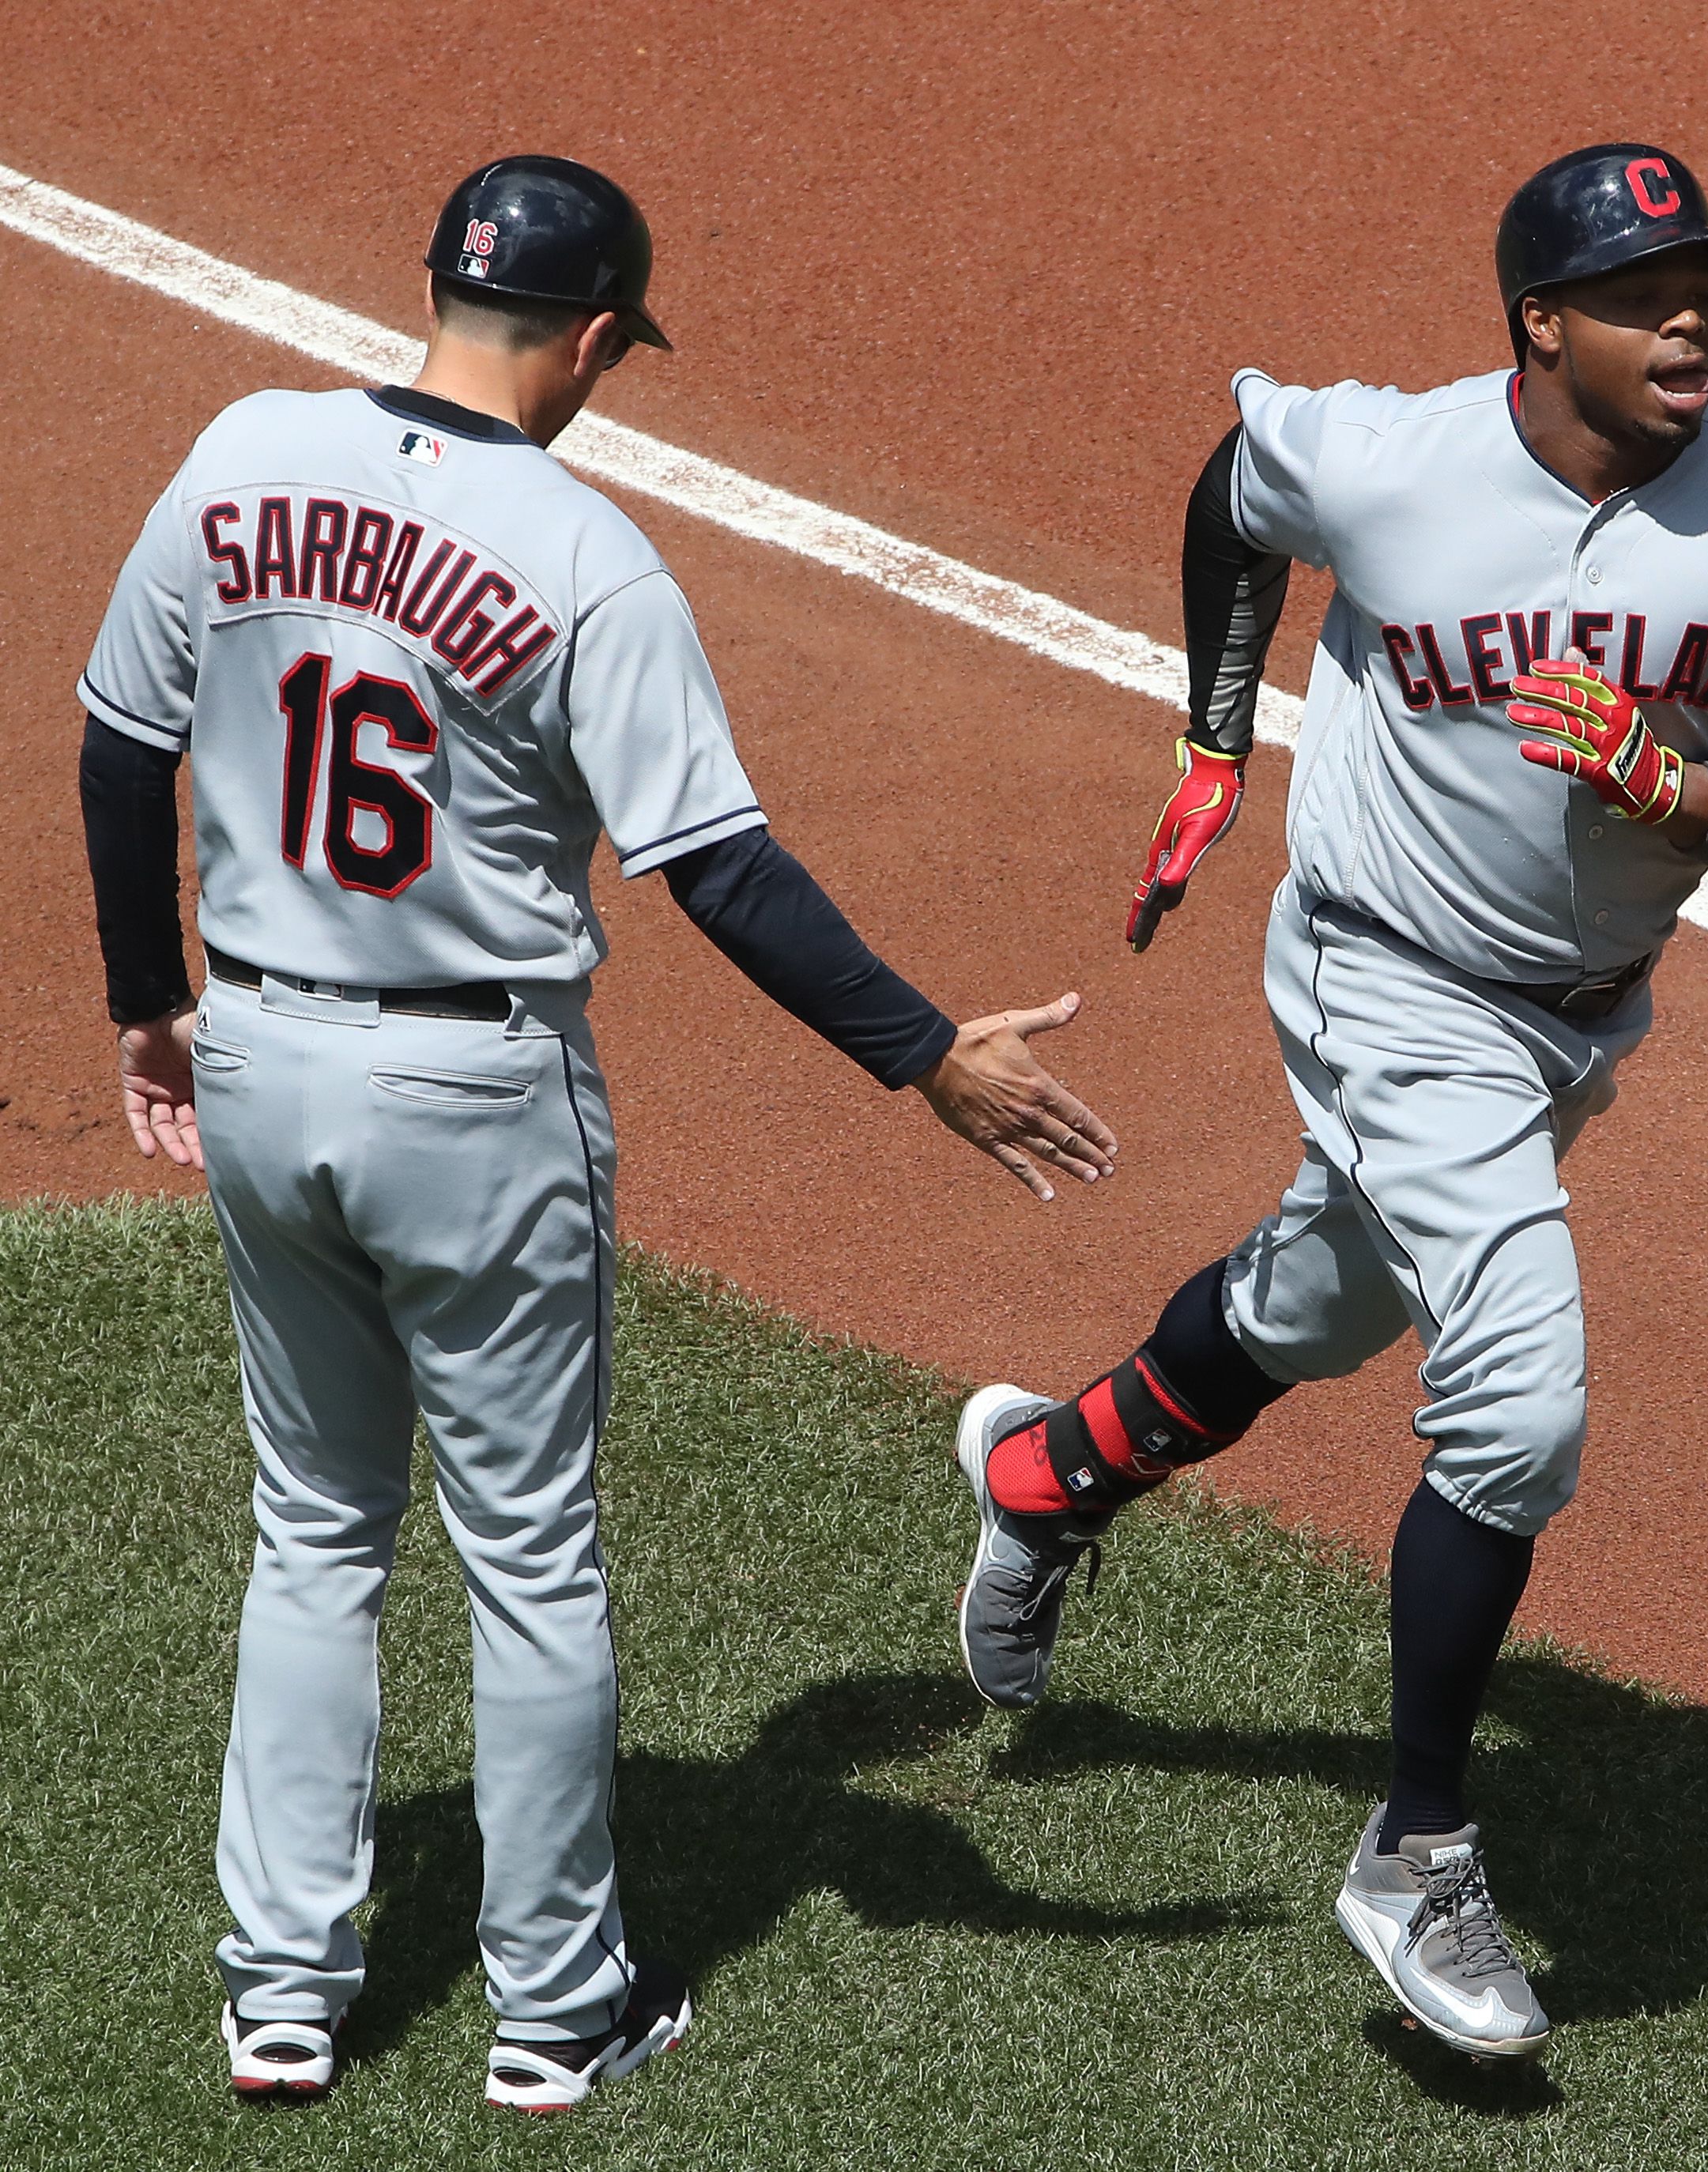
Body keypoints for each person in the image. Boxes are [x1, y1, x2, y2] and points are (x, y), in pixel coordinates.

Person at [75, 154, 1117, 2112]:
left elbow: (122, 746)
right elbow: (719, 869)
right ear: (586, 335)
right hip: (471, 1093)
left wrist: (152, 996)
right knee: (528, 1549)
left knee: (313, 1536)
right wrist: (924, 1056)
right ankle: (557, 2011)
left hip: (261, 1052)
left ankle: (282, 1991)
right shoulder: (579, 552)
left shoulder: (237, 451)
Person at [948, 141, 1708, 2059]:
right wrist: (1218, 736)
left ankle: (1047, 1474)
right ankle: (1418, 1848)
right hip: (1382, 977)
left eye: (1707, 280)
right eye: (1641, 292)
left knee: (1324, 1301)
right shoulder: (1385, 459)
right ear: (1538, 324)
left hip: (1574, 1021)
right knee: (1518, 1401)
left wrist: (1690, 796)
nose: (1691, 314)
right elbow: (1236, 498)